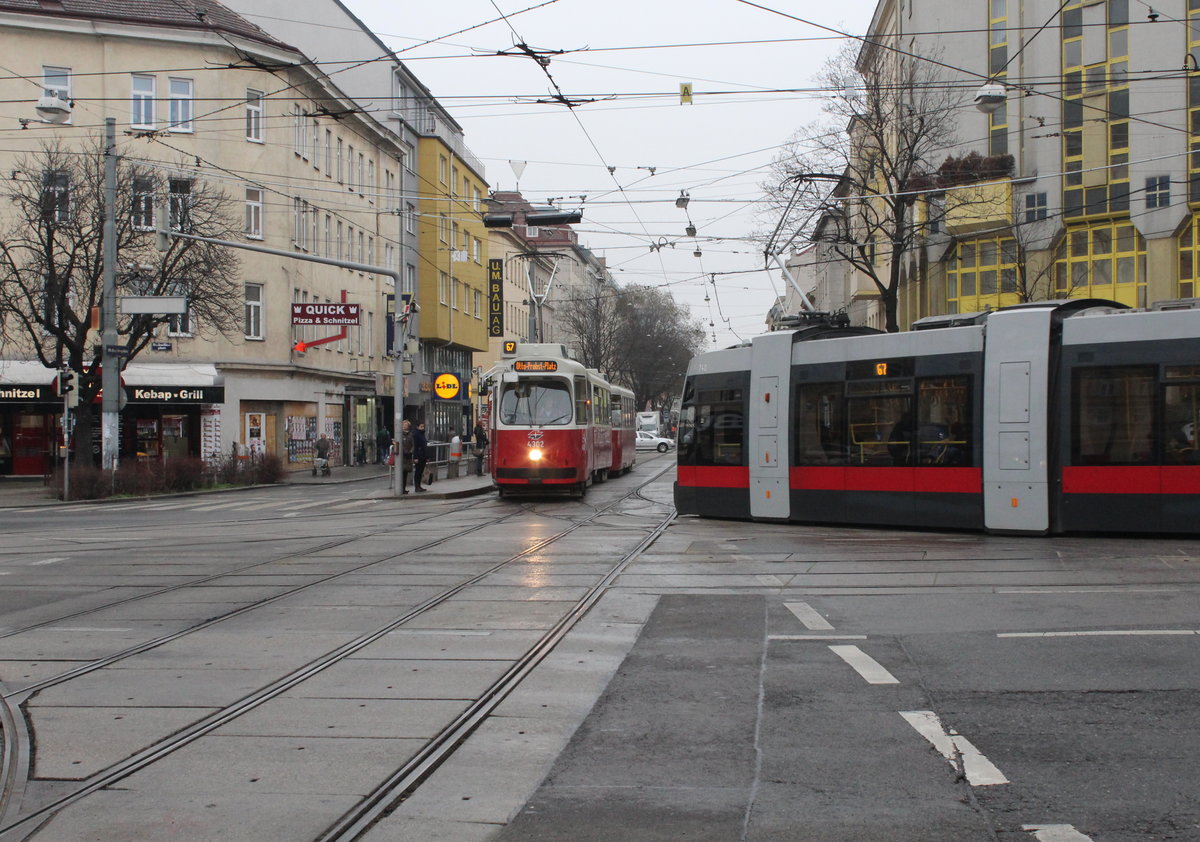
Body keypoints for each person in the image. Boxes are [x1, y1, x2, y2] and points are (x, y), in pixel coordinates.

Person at [412, 421, 429, 492]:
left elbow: (425, 446)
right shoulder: (416, 434)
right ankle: (417, 486)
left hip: (423, 455)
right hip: (419, 455)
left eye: (423, 426)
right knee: (418, 471)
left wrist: (427, 456)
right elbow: (414, 446)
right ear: (417, 427)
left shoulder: (422, 434)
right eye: (421, 426)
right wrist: (415, 457)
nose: (422, 428)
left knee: (420, 471)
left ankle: (419, 486)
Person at [400, 420, 414, 493]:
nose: (404, 426)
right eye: (403, 425)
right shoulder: (399, 434)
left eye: (406, 425)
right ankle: (401, 488)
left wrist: (410, 451)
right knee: (401, 473)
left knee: (405, 473)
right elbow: (399, 444)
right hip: (401, 456)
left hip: (408, 456)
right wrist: (404, 451)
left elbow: (413, 444)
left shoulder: (410, 435)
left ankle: (403, 488)